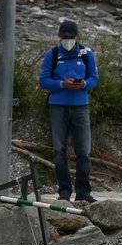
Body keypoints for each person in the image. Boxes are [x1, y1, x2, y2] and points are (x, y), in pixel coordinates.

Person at [38, 18, 98, 203]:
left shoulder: (87, 54)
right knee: (59, 150)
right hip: (58, 107)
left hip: (80, 106)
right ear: (59, 36)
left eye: (71, 37)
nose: (68, 40)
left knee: (84, 151)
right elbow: (43, 81)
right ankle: (64, 190)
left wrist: (84, 84)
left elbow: (94, 78)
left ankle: (83, 191)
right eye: (65, 37)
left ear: (77, 36)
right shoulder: (53, 54)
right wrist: (61, 84)